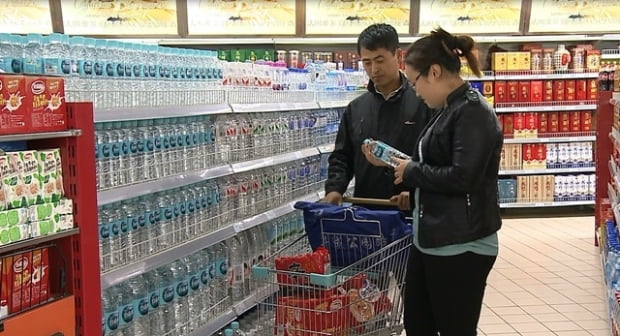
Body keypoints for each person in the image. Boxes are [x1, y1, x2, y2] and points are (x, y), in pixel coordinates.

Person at [363, 27, 503, 335]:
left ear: (435, 72)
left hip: (461, 245)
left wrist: (412, 171)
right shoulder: (448, 109)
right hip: (432, 239)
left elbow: (463, 177)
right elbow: (442, 171)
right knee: (419, 325)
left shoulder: (473, 112)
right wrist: (415, 198)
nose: (414, 91)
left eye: (415, 81)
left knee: (454, 328)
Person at [323, 23, 431, 210]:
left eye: (380, 60)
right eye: (367, 62)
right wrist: (334, 189)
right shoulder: (356, 108)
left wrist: (418, 193)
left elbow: (437, 158)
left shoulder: (424, 102)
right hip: (367, 212)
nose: (374, 69)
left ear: (398, 56)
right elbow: (342, 156)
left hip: (412, 213)